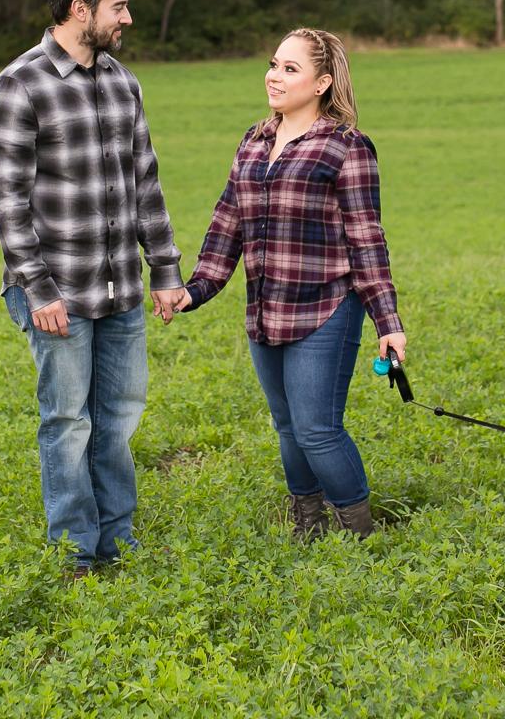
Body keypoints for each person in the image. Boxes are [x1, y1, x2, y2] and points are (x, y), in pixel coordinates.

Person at [0, 0, 188, 577]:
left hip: (120, 288)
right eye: (118, 5)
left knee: (117, 422)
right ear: (81, 9)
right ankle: (75, 554)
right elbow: (8, 203)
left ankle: (116, 546)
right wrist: (38, 289)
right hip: (56, 294)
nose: (128, 17)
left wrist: (165, 270)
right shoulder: (19, 86)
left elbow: (145, 184)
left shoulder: (123, 82)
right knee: (68, 424)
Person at [169, 28, 407, 540]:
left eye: (290, 68)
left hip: (325, 307)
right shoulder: (254, 141)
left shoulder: (346, 147)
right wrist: (195, 289)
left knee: (318, 430)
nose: (274, 76)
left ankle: (360, 533)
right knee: (288, 429)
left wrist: (388, 323)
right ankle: (309, 525)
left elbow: (367, 240)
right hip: (264, 311)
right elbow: (227, 221)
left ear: (322, 82)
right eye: (274, 64)